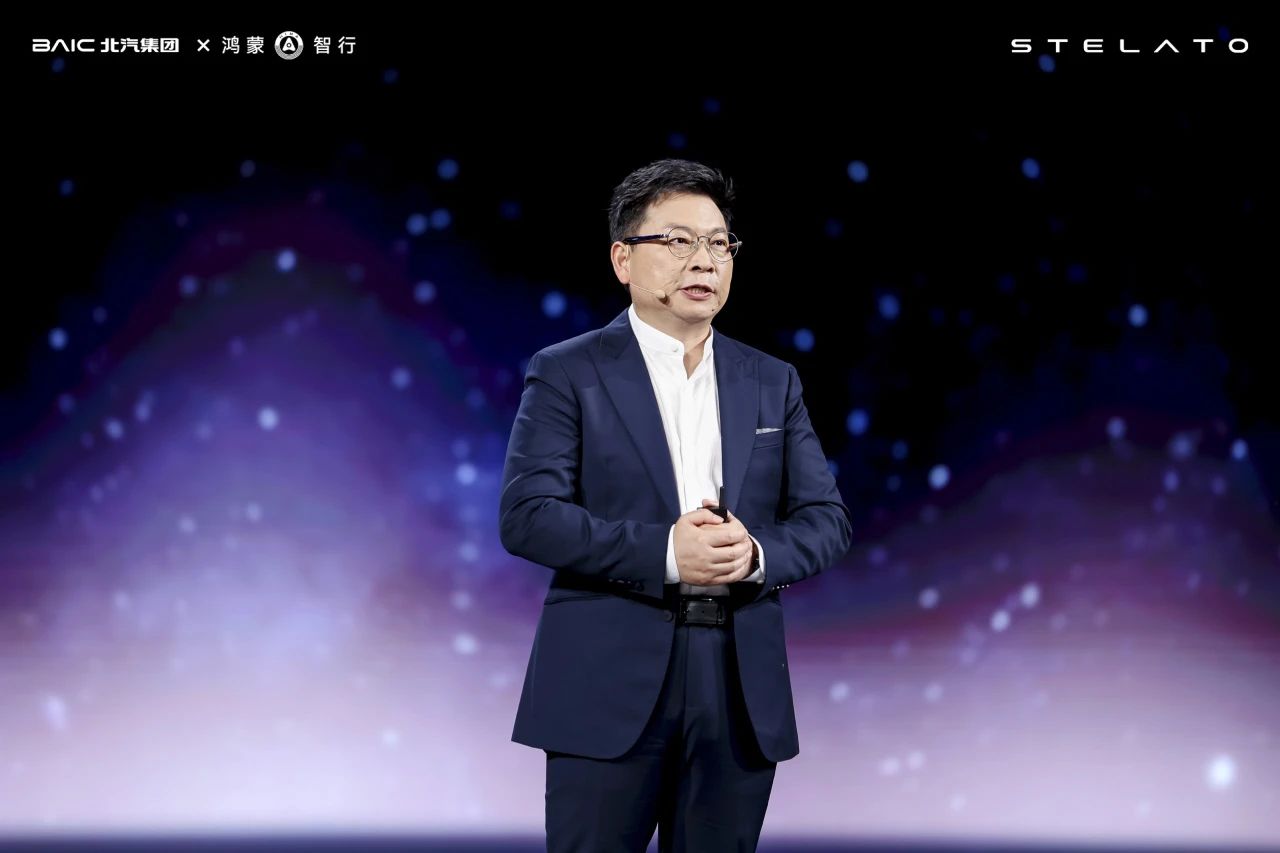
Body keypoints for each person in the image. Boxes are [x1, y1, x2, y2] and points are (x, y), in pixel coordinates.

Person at [499, 158, 852, 852]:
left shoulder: (771, 380)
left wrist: (754, 554)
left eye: (720, 243)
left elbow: (827, 520)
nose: (704, 260)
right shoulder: (568, 370)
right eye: (679, 241)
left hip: (737, 683)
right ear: (622, 259)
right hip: (607, 677)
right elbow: (528, 514)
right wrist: (667, 551)